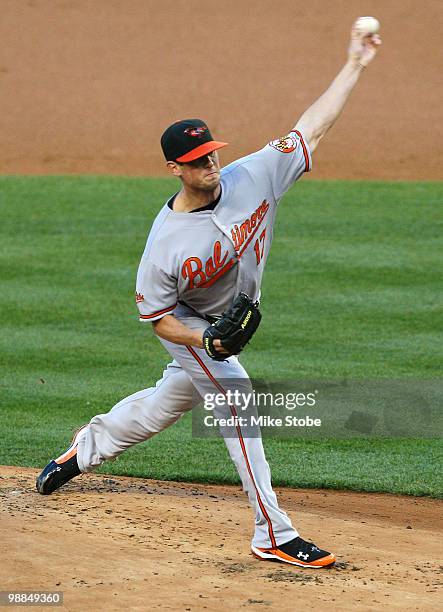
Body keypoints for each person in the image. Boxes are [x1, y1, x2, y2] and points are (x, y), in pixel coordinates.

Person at [36, 23, 381, 568]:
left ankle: (88, 447)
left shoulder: (255, 175)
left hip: (220, 328)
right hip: (193, 326)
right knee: (238, 402)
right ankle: (272, 532)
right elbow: (159, 321)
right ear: (174, 168)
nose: (210, 164)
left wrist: (355, 64)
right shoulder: (164, 246)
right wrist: (208, 339)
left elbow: (310, 129)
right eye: (196, 159)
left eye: (212, 152)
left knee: (165, 405)